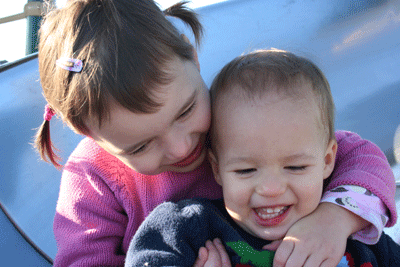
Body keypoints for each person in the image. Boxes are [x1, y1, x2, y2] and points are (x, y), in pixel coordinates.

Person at [34, 0, 397, 266]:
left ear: (192, 57)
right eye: (141, 145)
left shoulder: (233, 112)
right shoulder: (93, 180)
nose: (180, 147)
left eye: (187, 110)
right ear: (89, 133)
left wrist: (334, 219)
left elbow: (358, 156)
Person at [124, 49, 400, 267]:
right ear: (217, 168)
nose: (270, 189)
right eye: (245, 170)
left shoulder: (355, 233)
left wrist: (338, 220)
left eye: (295, 166)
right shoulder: (190, 229)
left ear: (327, 161)